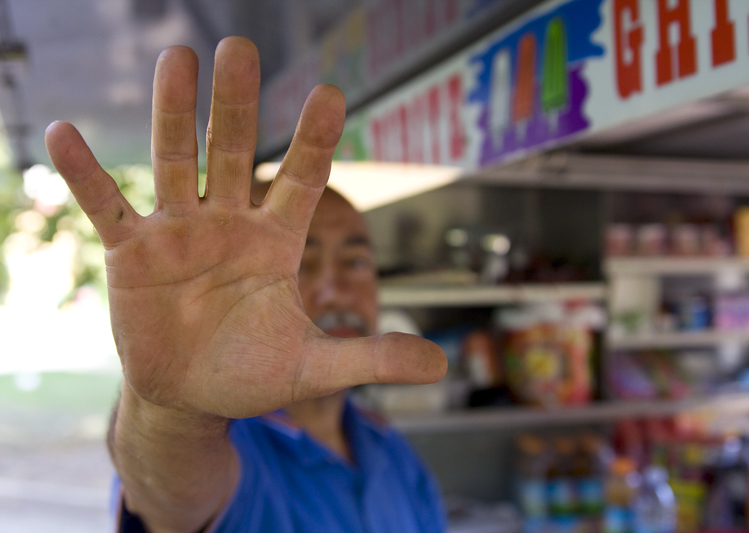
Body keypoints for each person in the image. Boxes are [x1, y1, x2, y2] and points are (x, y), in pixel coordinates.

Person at [44, 36, 448, 533]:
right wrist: (172, 412)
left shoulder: (390, 450)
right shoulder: (224, 440)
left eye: (356, 262)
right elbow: (167, 494)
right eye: (304, 262)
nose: (335, 289)